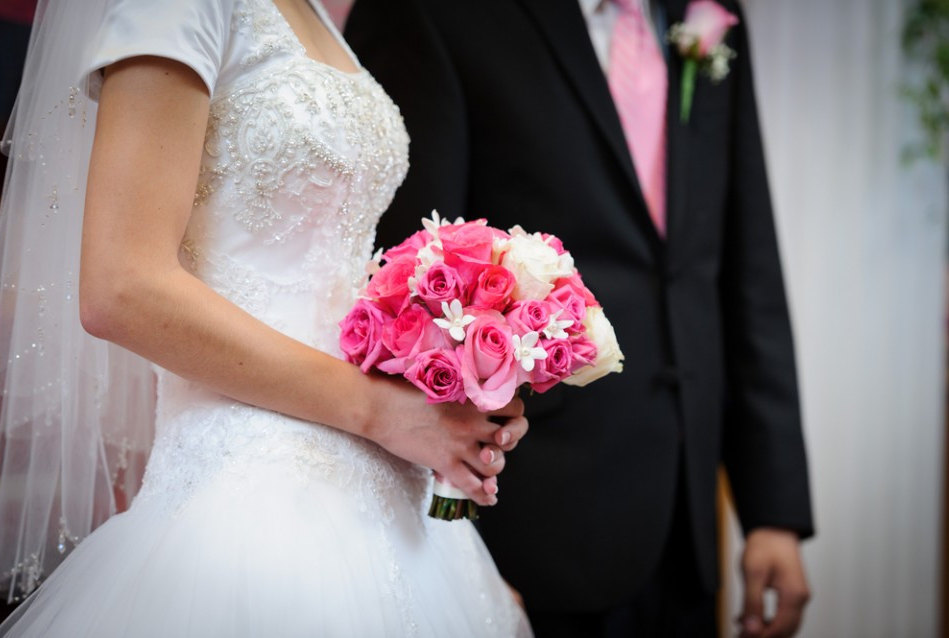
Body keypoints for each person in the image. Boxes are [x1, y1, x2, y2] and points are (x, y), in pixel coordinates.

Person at [0, 0, 532, 635]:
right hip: (255, 491)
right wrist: (382, 410)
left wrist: (444, 373)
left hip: (388, 485)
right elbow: (122, 287)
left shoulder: (313, 15)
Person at [344, 0, 814, 636]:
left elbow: (744, 267)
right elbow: (409, 286)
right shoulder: (438, 14)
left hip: (687, 516)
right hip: (532, 521)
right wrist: (452, 548)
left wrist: (772, 510)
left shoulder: (710, 14)